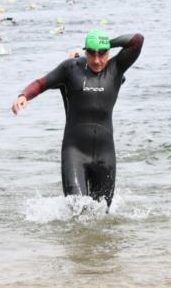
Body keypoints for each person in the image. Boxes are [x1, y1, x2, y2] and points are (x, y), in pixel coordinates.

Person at [11, 30, 144, 210]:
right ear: (85, 51)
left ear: (108, 52)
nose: (97, 60)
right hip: (75, 152)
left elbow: (137, 40)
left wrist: (106, 43)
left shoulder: (117, 68)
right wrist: (24, 95)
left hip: (105, 155)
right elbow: (42, 83)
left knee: (101, 214)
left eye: (102, 53)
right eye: (91, 53)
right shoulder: (71, 69)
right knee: (77, 210)